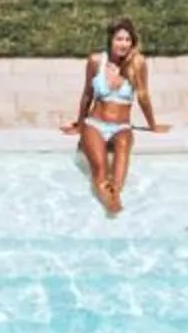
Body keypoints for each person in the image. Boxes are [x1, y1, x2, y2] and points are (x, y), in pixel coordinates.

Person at [65, 19, 165, 216]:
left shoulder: (137, 63)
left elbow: (143, 97)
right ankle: (112, 207)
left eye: (128, 40)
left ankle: (114, 200)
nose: (124, 44)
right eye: (119, 39)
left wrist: (153, 125)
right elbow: (87, 95)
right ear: (110, 40)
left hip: (122, 127)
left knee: (119, 175)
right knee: (100, 174)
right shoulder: (96, 61)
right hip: (95, 124)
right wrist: (79, 125)